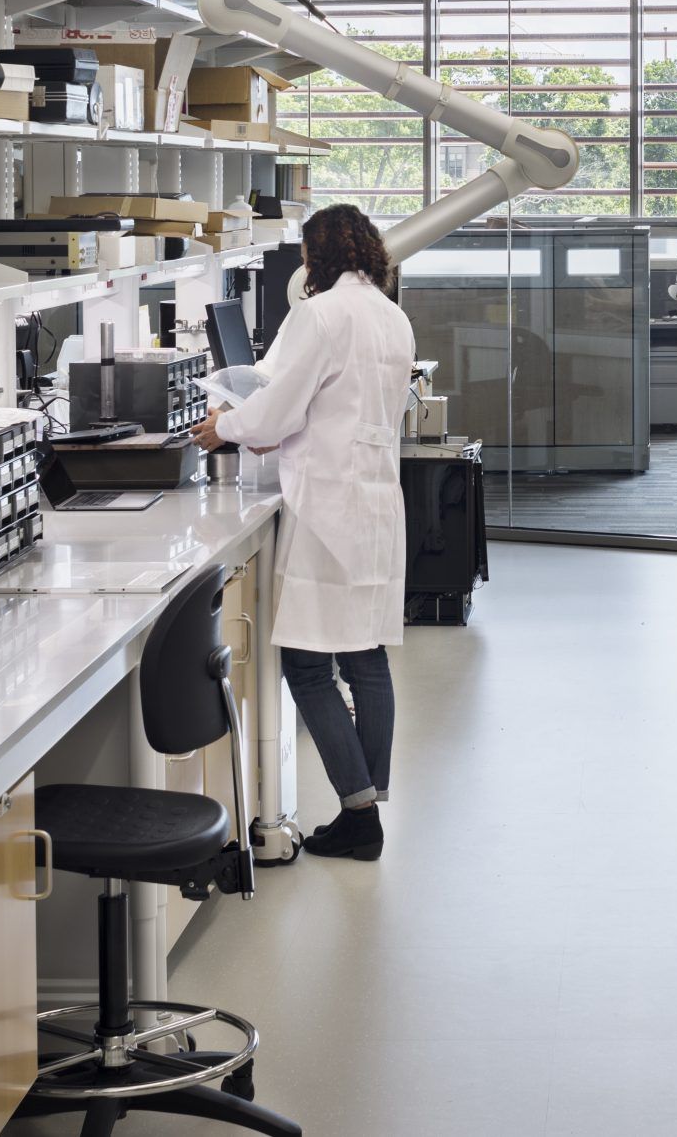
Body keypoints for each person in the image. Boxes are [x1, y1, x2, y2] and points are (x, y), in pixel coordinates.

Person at [190, 204, 416, 861]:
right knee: (366, 654)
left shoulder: (319, 315)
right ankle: (368, 802)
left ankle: (358, 811)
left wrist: (223, 427)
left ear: (316, 257)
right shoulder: (393, 316)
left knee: (307, 663)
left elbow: (279, 410)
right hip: (374, 501)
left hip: (329, 510)